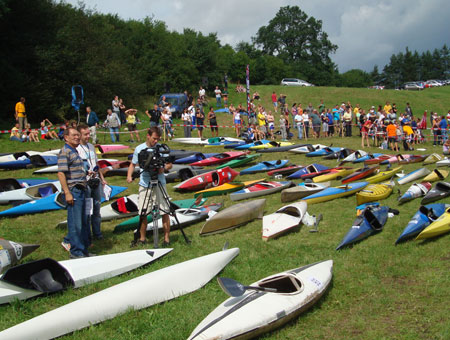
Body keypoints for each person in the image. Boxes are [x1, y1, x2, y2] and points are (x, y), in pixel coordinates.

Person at [127, 127, 172, 246]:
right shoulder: (139, 149)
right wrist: (129, 176)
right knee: (143, 212)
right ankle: (142, 238)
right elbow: (132, 164)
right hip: (145, 184)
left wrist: (164, 168)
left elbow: (169, 164)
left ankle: (166, 239)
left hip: (159, 183)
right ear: (148, 136)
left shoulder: (161, 148)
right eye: (154, 138)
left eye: (158, 139)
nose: (156, 141)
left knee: (165, 211)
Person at [58, 127, 92, 259]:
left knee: (83, 222)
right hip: (74, 190)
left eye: (78, 135)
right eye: (74, 136)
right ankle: (76, 252)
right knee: (75, 223)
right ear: (66, 137)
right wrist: (67, 193)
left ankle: (83, 251)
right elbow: (61, 173)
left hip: (82, 188)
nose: (77, 137)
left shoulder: (75, 151)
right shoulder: (65, 151)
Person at [76, 124, 107, 243]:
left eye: (89, 133)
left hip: (97, 181)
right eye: (86, 134)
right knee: (87, 210)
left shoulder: (91, 146)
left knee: (97, 209)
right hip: (86, 183)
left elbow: (96, 163)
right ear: (79, 135)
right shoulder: (77, 149)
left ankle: (97, 233)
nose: (88, 136)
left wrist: (102, 178)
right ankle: (87, 234)